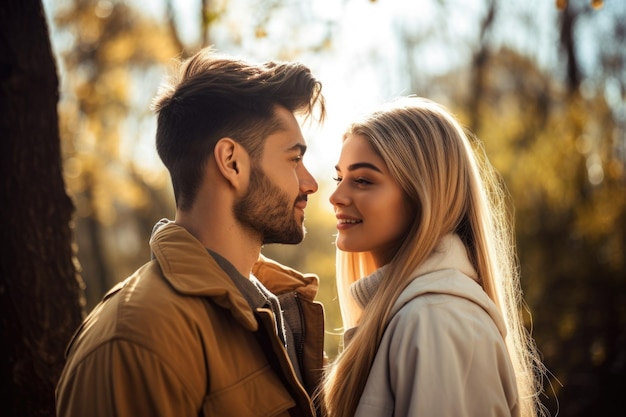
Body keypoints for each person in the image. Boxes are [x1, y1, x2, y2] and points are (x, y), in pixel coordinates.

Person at [56, 47, 327, 417]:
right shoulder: (136, 338)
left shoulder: (278, 307)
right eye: (294, 159)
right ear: (231, 162)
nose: (310, 183)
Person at [319, 96, 547, 417]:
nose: (336, 196)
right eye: (339, 178)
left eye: (363, 180)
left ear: (424, 195)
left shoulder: (435, 320)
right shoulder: (416, 315)